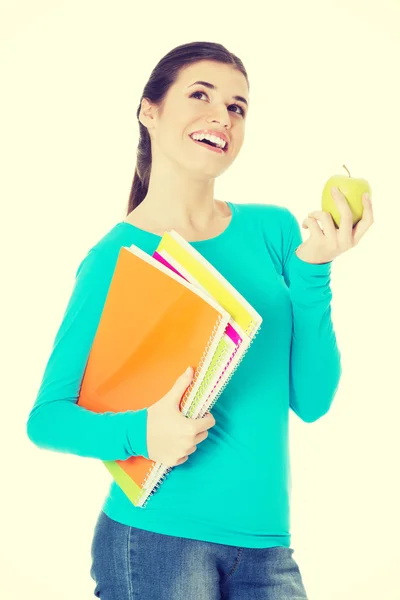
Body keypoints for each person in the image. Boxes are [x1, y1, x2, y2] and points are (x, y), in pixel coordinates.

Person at [26, 41, 374, 600]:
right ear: (150, 111)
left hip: (269, 547)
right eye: (200, 95)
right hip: (156, 542)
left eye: (238, 107)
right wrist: (142, 433)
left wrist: (314, 271)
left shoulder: (276, 231)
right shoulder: (115, 258)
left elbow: (312, 400)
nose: (223, 116)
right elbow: (46, 419)